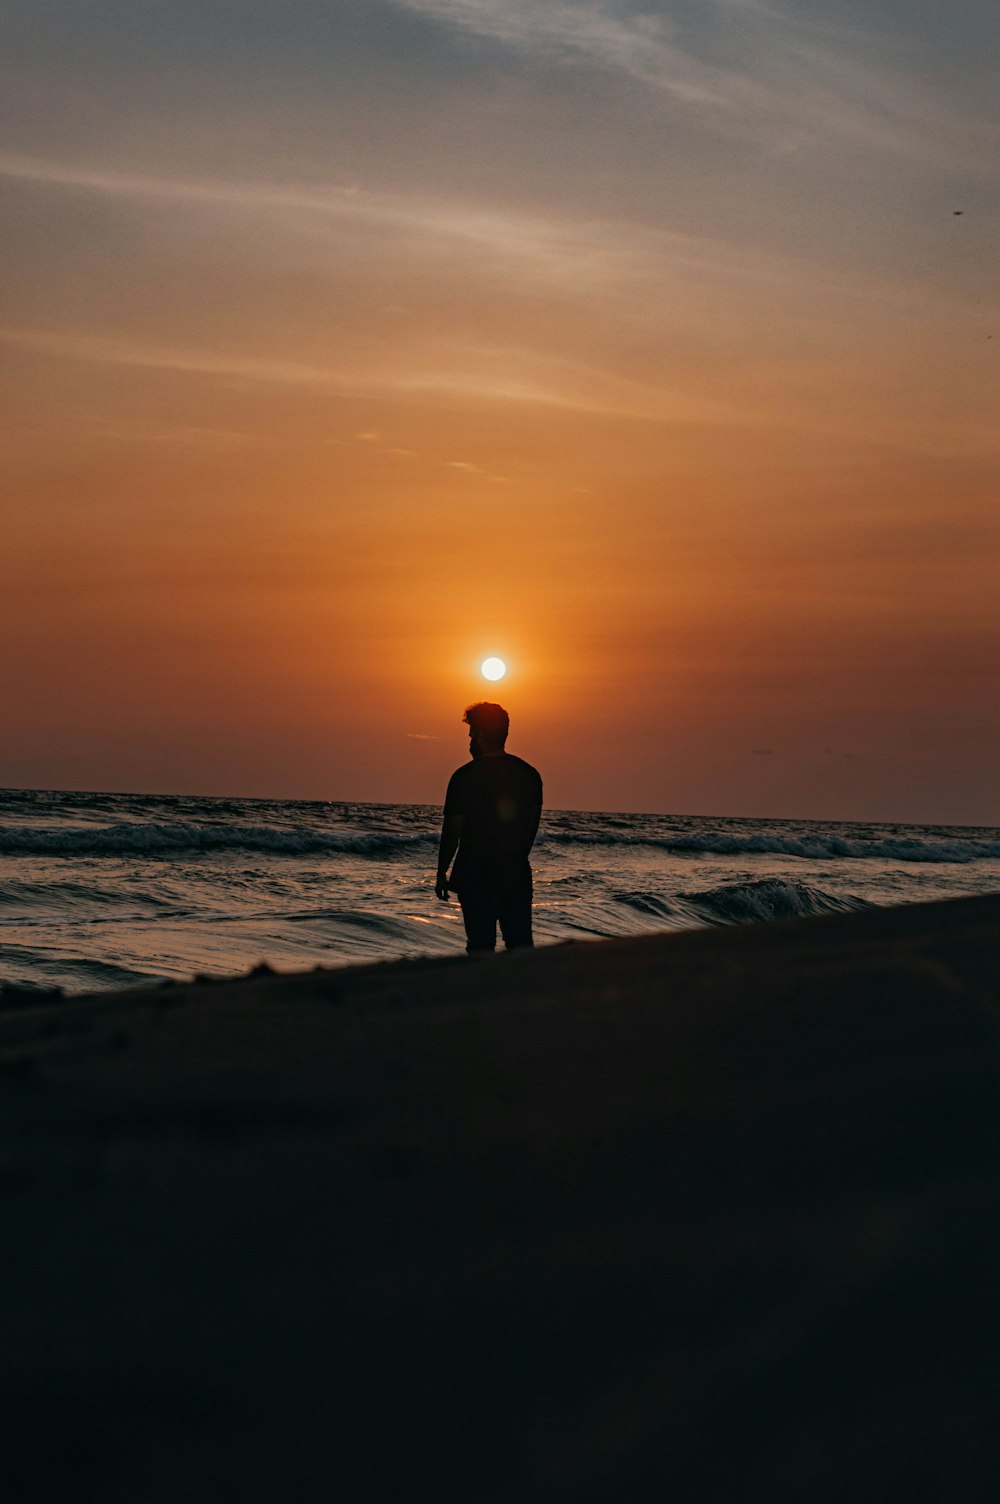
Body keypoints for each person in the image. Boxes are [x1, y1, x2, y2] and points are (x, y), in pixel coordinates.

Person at [435, 702, 543, 953]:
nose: (470, 740)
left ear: (481, 736)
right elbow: (531, 826)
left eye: (471, 734)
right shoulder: (530, 775)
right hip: (516, 872)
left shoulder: (463, 777)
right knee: (520, 945)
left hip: (475, 874)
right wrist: (515, 859)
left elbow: (452, 830)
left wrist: (442, 871)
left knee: (480, 945)